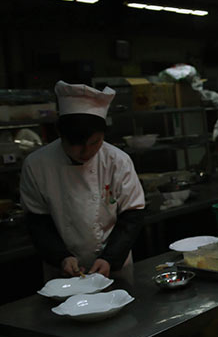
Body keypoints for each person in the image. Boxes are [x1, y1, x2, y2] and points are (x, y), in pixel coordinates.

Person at [20, 81, 145, 282]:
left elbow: (132, 215)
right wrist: (60, 257)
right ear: (60, 134)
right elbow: (38, 222)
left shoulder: (117, 161)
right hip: (62, 274)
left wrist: (109, 258)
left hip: (114, 268)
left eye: (95, 143)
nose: (86, 152)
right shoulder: (37, 165)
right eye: (76, 145)